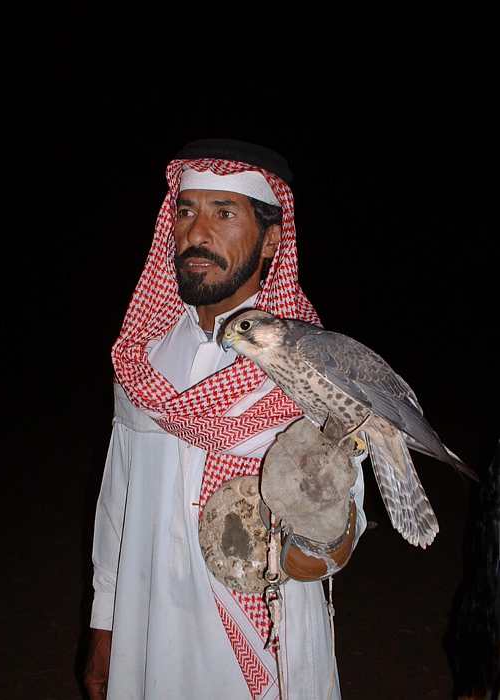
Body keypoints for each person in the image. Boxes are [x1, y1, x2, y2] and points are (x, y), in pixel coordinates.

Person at [84, 139, 368, 699]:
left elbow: (342, 520)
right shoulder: (142, 359)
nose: (197, 232)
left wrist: (320, 538)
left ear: (272, 240)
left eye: (224, 213)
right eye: (186, 211)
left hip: (263, 634)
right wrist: (105, 619)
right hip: (149, 628)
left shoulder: (311, 366)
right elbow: (118, 495)